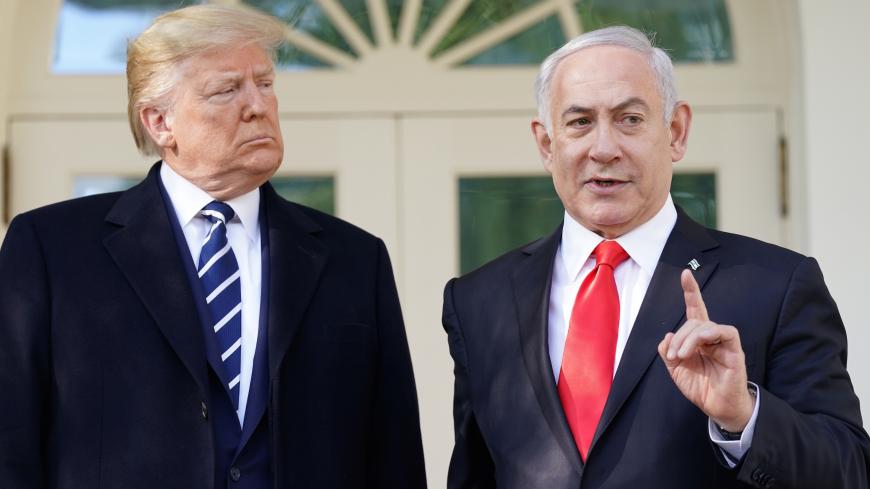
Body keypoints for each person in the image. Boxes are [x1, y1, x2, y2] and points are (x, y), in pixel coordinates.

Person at [0, 5, 426, 488]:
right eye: (226, 90)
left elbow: (394, 459)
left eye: (264, 84)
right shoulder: (52, 250)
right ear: (160, 122)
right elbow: (10, 442)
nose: (257, 105)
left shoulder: (355, 259)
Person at [441, 26, 869, 488]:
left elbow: (848, 471)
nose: (604, 149)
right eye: (580, 122)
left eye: (629, 119)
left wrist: (743, 417)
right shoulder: (479, 301)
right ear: (547, 144)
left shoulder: (776, 285)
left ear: (676, 132)